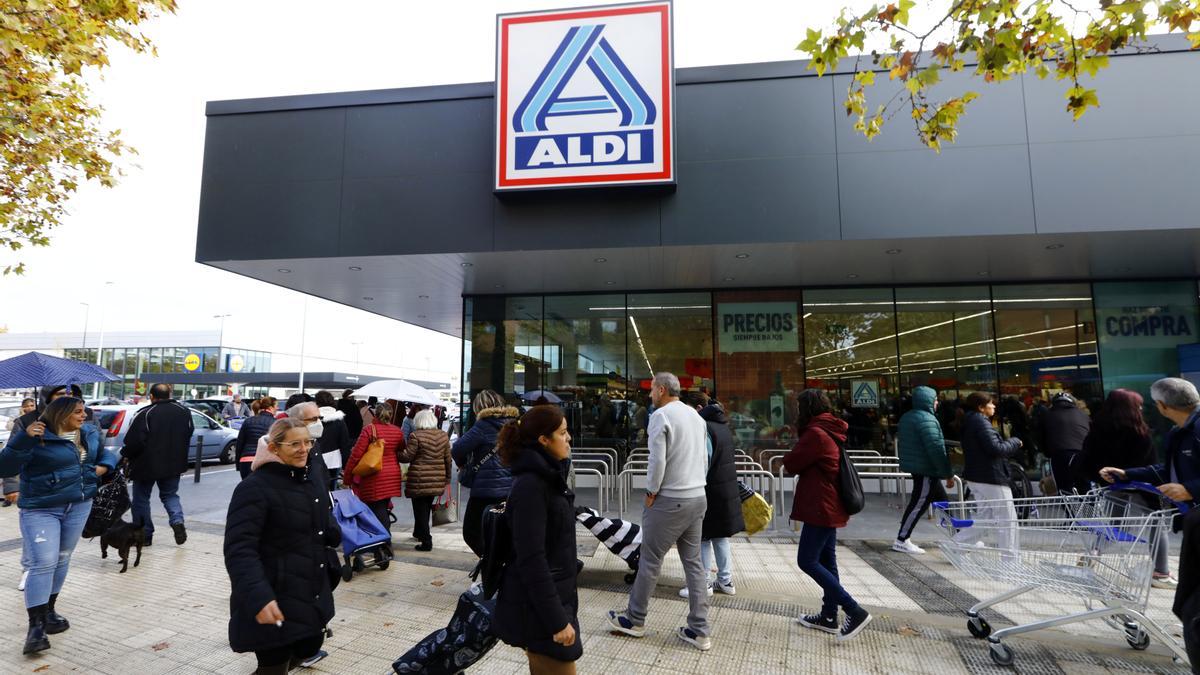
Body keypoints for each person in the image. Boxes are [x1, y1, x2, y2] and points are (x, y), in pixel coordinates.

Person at [0, 396, 119, 655]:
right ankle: (36, 627)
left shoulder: (87, 432)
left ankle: (49, 611)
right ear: (61, 414)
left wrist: (101, 468)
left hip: (79, 504)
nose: (84, 416)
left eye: (84, 412)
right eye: (78, 412)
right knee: (43, 562)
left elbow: (106, 454)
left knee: (63, 558)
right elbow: (5, 466)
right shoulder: (34, 432)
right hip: (41, 508)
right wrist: (24, 439)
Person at [223, 418, 340, 674]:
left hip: (310, 591)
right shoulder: (253, 488)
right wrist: (259, 597)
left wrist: (333, 531)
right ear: (274, 448)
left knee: (309, 647)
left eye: (308, 442)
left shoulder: (310, 479)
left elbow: (321, 521)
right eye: (295, 444)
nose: (304, 449)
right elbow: (239, 549)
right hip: (274, 593)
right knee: (274, 664)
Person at [607, 373, 711, 652]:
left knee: (650, 561)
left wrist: (651, 492)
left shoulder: (660, 416)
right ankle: (699, 629)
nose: (650, 395)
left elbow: (657, 459)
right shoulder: (696, 417)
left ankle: (634, 619)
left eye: (652, 390)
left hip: (669, 500)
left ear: (661, 390)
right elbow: (704, 458)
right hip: (697, 496)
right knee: (694, 564)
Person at [493, 405, 581, 673]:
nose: (568, 438)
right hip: (541, 614)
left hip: (551, 602)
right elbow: (531, 560)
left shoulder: (548, 477)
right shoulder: (531, 486)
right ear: (544, 439)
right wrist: (556, 620)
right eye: (562, 433)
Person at [786, 389, 873, 642]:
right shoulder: (829, 428)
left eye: (800, 407)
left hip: (821, 506)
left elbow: (791, 464)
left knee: (807, 560)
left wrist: (789, 454)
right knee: (827, 560)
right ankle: (828, 615)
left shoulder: (815, 433)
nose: (798, 411)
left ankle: (853, 610)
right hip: (830, 503)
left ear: (808, 408)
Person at [1075, 388, 1174, 587]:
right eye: (1137, 405)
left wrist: (1103, 476)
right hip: (1140, 486)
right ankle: (1161, 573)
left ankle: (1094, 552)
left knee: (1116, 525)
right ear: (1130, 408)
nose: (1140, 408)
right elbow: (1150, 464)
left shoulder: (1097, 430)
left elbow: (1085, 461)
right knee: (1156, 523)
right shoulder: (1140, 432)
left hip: (1112, 486)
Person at [678, 392, 743, 598]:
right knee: (720, 536)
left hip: (709, 489)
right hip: (724, 488)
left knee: (703, 537)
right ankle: (725, 581)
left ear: (697, 409)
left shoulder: (703, 427)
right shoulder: (722, 425)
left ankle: (703, 583)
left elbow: (703, 462)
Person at [120, 383, 195, 546]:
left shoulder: (146, 413)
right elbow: (189, 432)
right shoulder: (184, 411)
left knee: (141, 499)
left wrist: (125, 455)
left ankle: (144, 534)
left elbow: (135, 441)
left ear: (151, 397)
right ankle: (177, 521)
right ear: (169, 394)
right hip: (174, 463)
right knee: (170, 495)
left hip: (146, 464)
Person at [451, 390, 518, 557]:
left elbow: (457, 449)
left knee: (472, 532)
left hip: (485, 491)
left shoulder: (482, 425)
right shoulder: (513, 424)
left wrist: (462, 464)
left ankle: (491, 564)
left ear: (478, 408)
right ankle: (501, 566)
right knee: (503, 532)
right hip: (511, 489)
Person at [958, 392, 1023, 551]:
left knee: (984, 518)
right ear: (981, 407)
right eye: (990, 403)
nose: (994, 406)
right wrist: (1015, 441)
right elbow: (996, 449)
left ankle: (955, 545)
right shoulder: (981, 422)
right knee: (1008, 521)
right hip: (991, 477)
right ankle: (1010, 562)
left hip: (977, 476)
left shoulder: (971, 421)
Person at [893, 386, 953, 555]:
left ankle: (959, 536)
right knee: (919, 503)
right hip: (927, 469)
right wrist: (947, 473)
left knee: (943, 501)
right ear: (928, 401)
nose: (937, 403)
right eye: (935, 400)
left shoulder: (908, 417)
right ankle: (902, 539)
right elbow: (936, 449)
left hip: (919, 467)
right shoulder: (927, 420)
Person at [345, 403, 405, 540]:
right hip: (393, 474)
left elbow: (356, 456)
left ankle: (384, 543)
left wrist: (348, 477)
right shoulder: (397, 431)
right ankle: (381, 539)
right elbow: (401, 448)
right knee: (383, 506)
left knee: (377, 509)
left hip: (375, 475)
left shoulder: (369, 430)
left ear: (375, 414)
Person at [396, 409, 451, 552]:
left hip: (419, 480)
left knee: (420, 510)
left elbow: (407, 457)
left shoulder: (416, 436)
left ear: (419, 421)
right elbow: (448, 460)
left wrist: (395, 452)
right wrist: (447, 478)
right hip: (437, 479)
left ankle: (426, 541)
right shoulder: (443, 436)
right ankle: (419, 533)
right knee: (425, 508)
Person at [1039, 392, 1092, 495]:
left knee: (1064, 488)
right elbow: (1092, 434)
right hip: (1082, 453)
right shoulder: (1083, 415)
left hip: (1060, 454)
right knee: (1085, 486)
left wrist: (1048, 453)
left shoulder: (1047, 416)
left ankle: (1071, 510)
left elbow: (1041, 437)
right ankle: (1089, 509)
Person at [235, 397, 278, 480]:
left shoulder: (248, 421)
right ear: (270, 407)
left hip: (245, 461)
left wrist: (238, 464)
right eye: (276, 405)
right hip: (264, 462)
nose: (277, 408)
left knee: (247, 488)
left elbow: (239, 443)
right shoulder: (275, 423)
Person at [313, 391, 353, 475]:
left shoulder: (311, 418)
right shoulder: (339, 420)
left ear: (317, 402)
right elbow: (344, 444)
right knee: (332, 486)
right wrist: (346, 465)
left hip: (314, 459)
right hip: (334, 460)